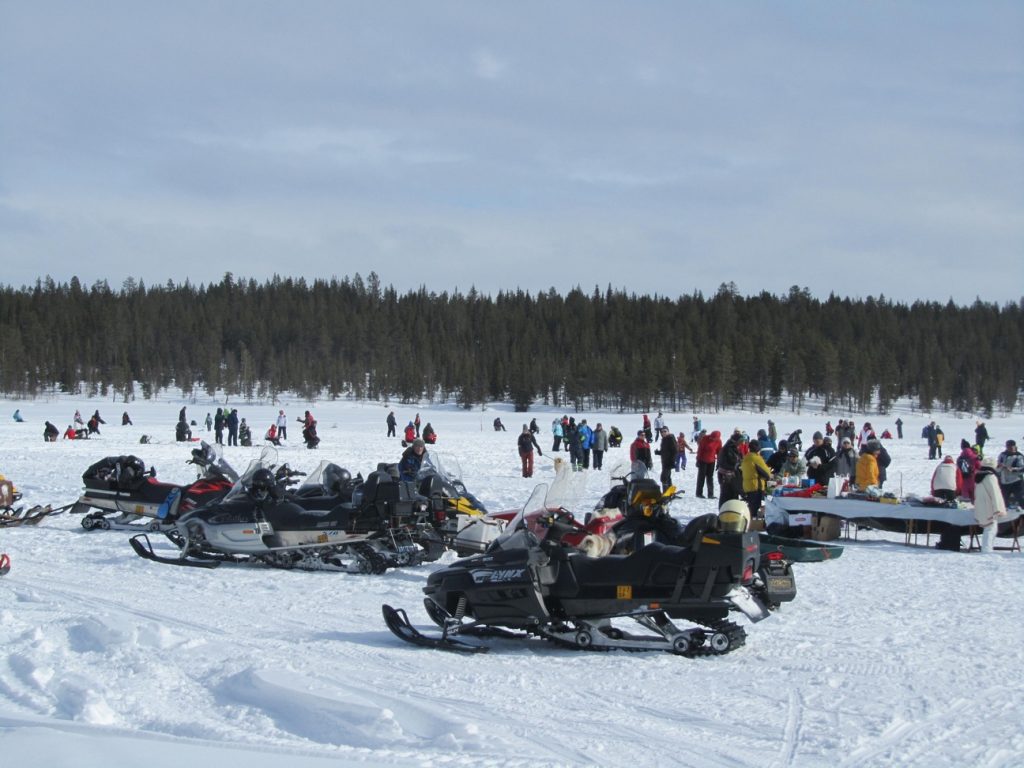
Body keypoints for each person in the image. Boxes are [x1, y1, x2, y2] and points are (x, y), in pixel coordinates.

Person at [975, 457, 1008, 552]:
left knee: (990, 527)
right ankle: (986, 549)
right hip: (989, 505)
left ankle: (987, 548)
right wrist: (998, 508)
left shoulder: (978, 477)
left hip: (981, 505)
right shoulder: (990, 477)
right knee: (990, 529)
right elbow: (995, 493)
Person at [740, 440, 772, 519]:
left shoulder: (746, 457)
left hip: (747, 485)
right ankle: (753, 524)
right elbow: (767, 473)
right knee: (755, 507)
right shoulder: (756, 458)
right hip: (756, 486)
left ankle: (749, 522)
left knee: (751, 506)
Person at [716, 432, 743, 506]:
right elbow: (731, 461)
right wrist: (738, 464)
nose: (741, 443)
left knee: (732, 494)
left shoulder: (731, 447)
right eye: (740, 442)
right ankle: (725, 511)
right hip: (727, 475)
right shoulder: (729, 448)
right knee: (727, 494)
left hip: (729, 474)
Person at [996, 440, 1024, 508]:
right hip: (1004, 480)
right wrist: (1000, 467)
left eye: (1011, 446)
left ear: (1014, 446)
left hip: (1016, 480)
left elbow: (1022, 468)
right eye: (1008, 446)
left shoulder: (1019, 456)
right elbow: (997, 466)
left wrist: (1013, 469)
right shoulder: (1002, 454)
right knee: (1004, 498)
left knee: (1019, 497)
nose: (1009, 448)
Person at [695, 429, 722, 499]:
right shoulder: (705, 438)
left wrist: (719, 462)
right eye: (711, 437)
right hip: (703, 460)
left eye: (713, 438)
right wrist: (698, 460)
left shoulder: (718, 441)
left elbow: (719, 452)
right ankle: (699, 493)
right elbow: (700, 450)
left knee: (710, 478)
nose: (712, 439)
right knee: (701, 477)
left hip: (711, 461)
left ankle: (711, 494)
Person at [655, 425, 678, 493]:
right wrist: (658, 452)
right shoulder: (665, 439)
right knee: (667, 477)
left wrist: (672, 462)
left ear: (668, 431)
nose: (663, 433)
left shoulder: (670, 438)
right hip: (665, 462)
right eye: (662, 432)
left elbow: (675, 451)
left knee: (663, 478)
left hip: (668, 462)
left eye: (665, 431)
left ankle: (666, 492)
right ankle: (670, 492)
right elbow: (666, 451)